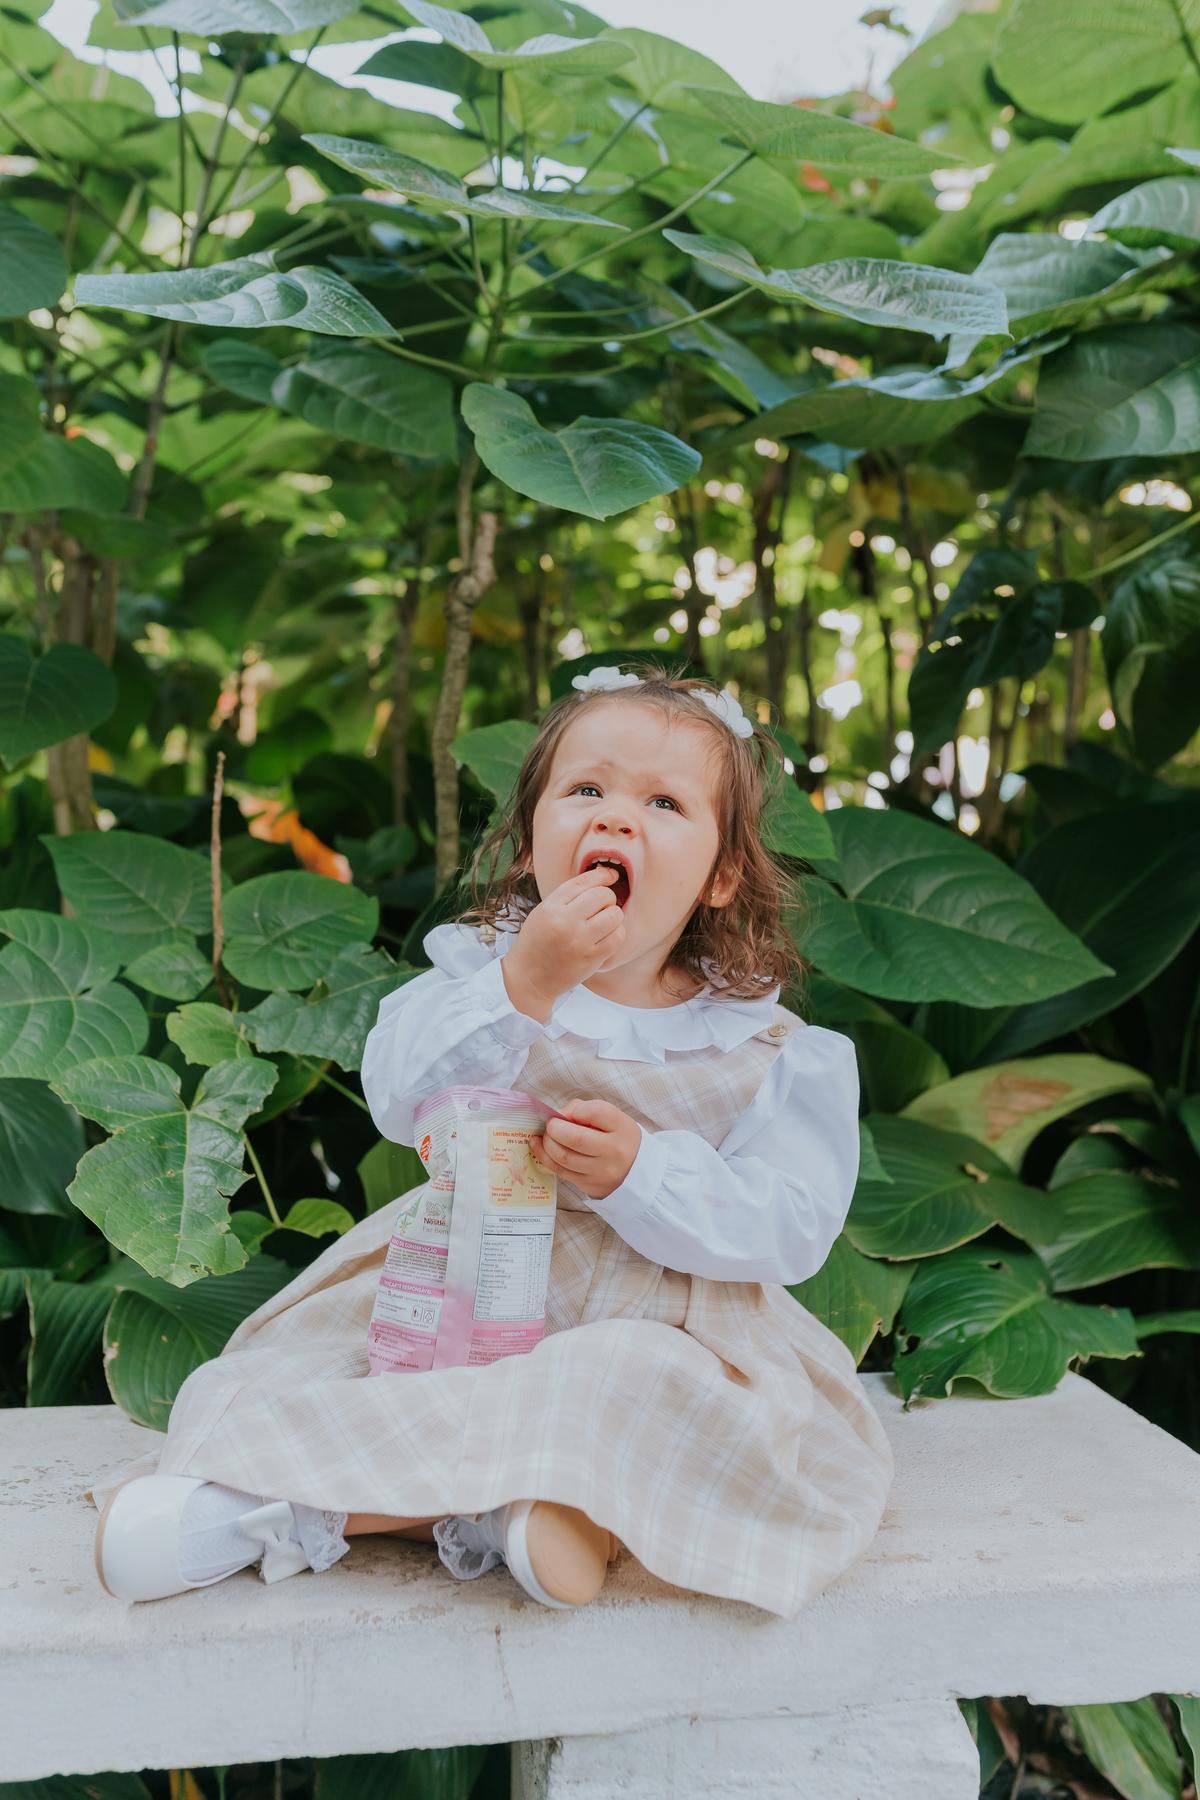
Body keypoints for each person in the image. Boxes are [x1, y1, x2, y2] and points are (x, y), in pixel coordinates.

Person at [93, 666, 892, 1616]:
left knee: (624, 1382)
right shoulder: (484, 972)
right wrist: (523, 984)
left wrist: (647, 1172)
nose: (616, 821)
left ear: (722, 875)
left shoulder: (766, 1048)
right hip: (459, 1286)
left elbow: (793, 1229)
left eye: (665, 802)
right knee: (295, 1370)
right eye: (586, 790)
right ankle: (507, 1502)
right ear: (528, 840)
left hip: (661, 1321)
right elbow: (398, 1095)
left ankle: (290, 1507)